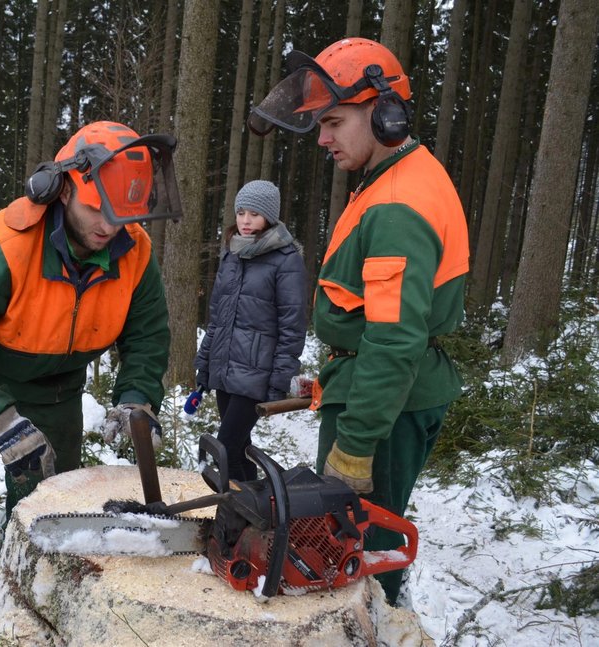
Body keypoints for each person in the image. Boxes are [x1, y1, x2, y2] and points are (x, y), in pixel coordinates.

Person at [247, 37, 470, 604]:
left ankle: (371, 624)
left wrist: (357, 446)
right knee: (345, 539)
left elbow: (396, 339)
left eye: (335, 122)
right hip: (374, 389)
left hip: (387, 406)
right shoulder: (387, 183)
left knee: (356, 546)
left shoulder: (399, 203)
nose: (323, 138)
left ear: (386, 113)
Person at [0, 121, 181, 555]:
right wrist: (1, 422)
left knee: (50, 515)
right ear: (65, 189)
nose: (110, 227)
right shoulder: (2, 245)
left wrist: (137, 396)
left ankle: (25, 597)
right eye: (97, 210)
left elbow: (147, 335)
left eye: (122, 215)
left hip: (57, 394)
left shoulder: (137, 253)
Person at [193, 180, 307, 481]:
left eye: (254, 214)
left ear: (269, 216)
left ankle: (242, 511)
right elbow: (217, 319)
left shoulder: (286, 260)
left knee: (226, 447)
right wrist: (205, 365)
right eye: (241, 212)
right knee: (239, 448)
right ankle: (254, 513)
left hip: (255, 374)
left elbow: (292, 326)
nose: (245, 220)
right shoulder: (232, 254)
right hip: (226, 370)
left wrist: (279, 379)